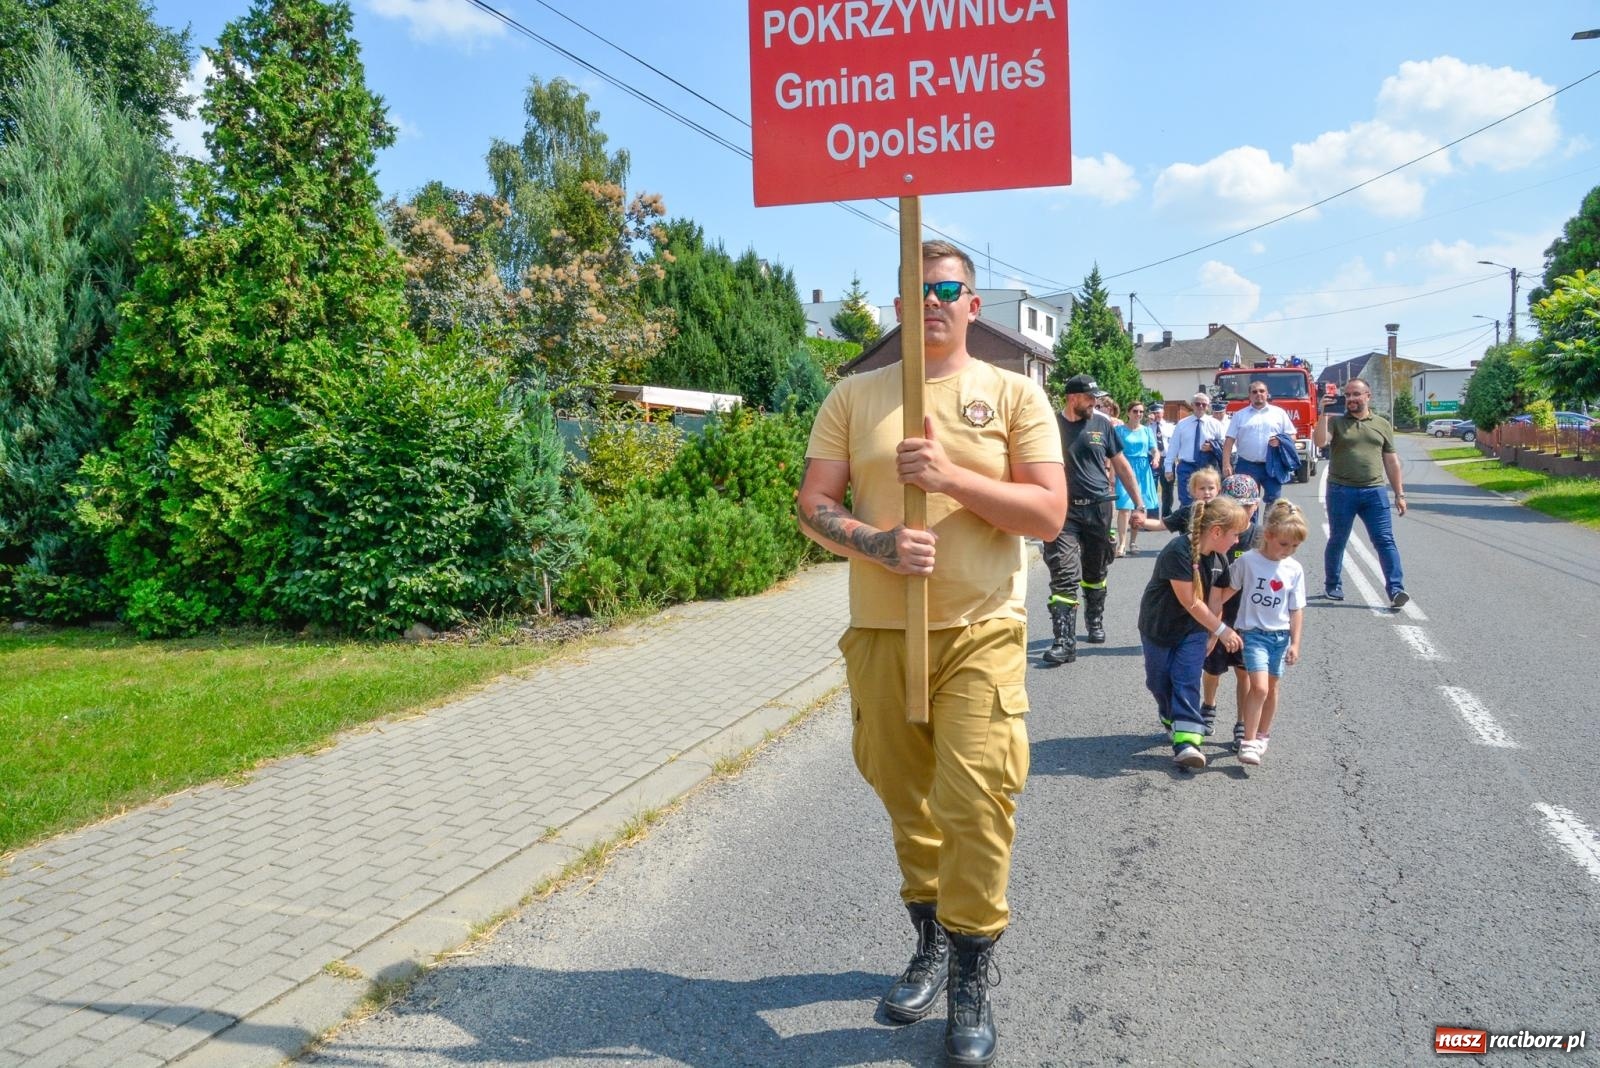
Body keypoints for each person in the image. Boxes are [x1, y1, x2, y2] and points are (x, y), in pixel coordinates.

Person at [797, 240, 1066, 1067]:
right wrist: (876, 544)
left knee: (977, 800)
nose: (934, 302)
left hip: (981, 628)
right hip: (882, 631)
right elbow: (814, 505)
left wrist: (951, 478)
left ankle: (972, 971)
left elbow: (1048, 514)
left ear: (973, 306)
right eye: (918, 291)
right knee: (906, 796)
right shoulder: (854, 394)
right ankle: (932, 940)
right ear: (899, 307)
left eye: (948, 290)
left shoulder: (1013, 393)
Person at [1136, 495, 1249, 769]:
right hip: (1159, 627)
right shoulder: (1179, 551)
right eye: (1234, 535)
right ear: (1217, 531)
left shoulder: (1220, 560)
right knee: (1158, 681)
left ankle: (1187, 743)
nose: (1237, 541)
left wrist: (1212, 634)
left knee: (1186, 679)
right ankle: (1170, 716)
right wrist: (1222, 630)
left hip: (1194, 631)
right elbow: (1190, 601)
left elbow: (1215, 602)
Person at [1042, 375, 1147, 666]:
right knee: (1063, 572)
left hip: (1099, 508)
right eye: (1090, 398)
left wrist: (1139, 504)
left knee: (1095, 570)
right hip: (1063, 511)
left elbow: (1121, 466)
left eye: (1096, 399)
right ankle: (1064, 642)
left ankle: (1094, 619)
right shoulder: (1050, 426)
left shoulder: (1102, 425)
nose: (1094, 403)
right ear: (1073, 398)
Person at [1218, 500, 1308, 765]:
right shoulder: (1249, 561)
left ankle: (1262, 735)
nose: (1288, 551)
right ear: (1268, 535)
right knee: (1258, 687)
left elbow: (1296, 609)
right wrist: (1211, 622)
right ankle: (1248, 741)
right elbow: (1226, 591)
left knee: (1272, 688)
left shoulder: (1294, 569)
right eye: (1284, 544)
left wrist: (1295, 643)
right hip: (1253, 634)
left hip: (1280, 637)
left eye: (1294, 546)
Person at [1313, 376, 1408, 607]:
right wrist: (1323, 413)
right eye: (1347, 395)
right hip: (1341, 491)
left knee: (1384, 540)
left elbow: (1391, 461)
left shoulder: (1382, 424)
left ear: (1368, 396)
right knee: (1338, 539)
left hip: (1374, 491)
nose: (1351, 399)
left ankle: (1396, 590)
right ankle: (1333, 585)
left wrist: (1399, 494)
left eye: (1356, 394)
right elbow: (1320, 442)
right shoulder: (1336, 422)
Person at [1222, 379, 1297, 504]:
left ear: (1267, 394)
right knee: (1247, 502)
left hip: (1272, 464)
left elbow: (1292, 436)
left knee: (1275, 501)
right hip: (1247, 465)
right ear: (1249, 395)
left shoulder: (1279, 413)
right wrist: (1226, 464)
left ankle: (1269, 518)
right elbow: (1229, 441)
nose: (1258, 394)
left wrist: (1280, 441)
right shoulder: (1239, 415)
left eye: (1262, 391)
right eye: (1254, 392)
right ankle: (1252, 518)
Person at [1114, 402, 1161, 557]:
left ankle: (1133, 542)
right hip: (1125, 468)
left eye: (1141, 411)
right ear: (1128, 413)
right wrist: (1112, 473)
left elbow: (1154, 449)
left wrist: (1156, 458)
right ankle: (1121, 544)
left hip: (1143, 470)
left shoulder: (1147, 431)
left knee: (1139, 507)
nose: (1138, 414)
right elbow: (1113, 452)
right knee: (1124, 507)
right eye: (1135, 411)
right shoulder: (1119, 430)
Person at [1169, 391, 1225, 507]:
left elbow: (1224, 444)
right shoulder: (1182, 424)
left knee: (1209, 500)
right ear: (1192, 405)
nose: (1200, 407)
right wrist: (1168, 467)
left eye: (1204, 404)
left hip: (1207, 467)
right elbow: (1173, 446)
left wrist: (1212, 446)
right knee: (1186, 501)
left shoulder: (1215, 424)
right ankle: (1188, 519)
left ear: (1208, 407)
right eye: (1198, 404)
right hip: (1186, 466)